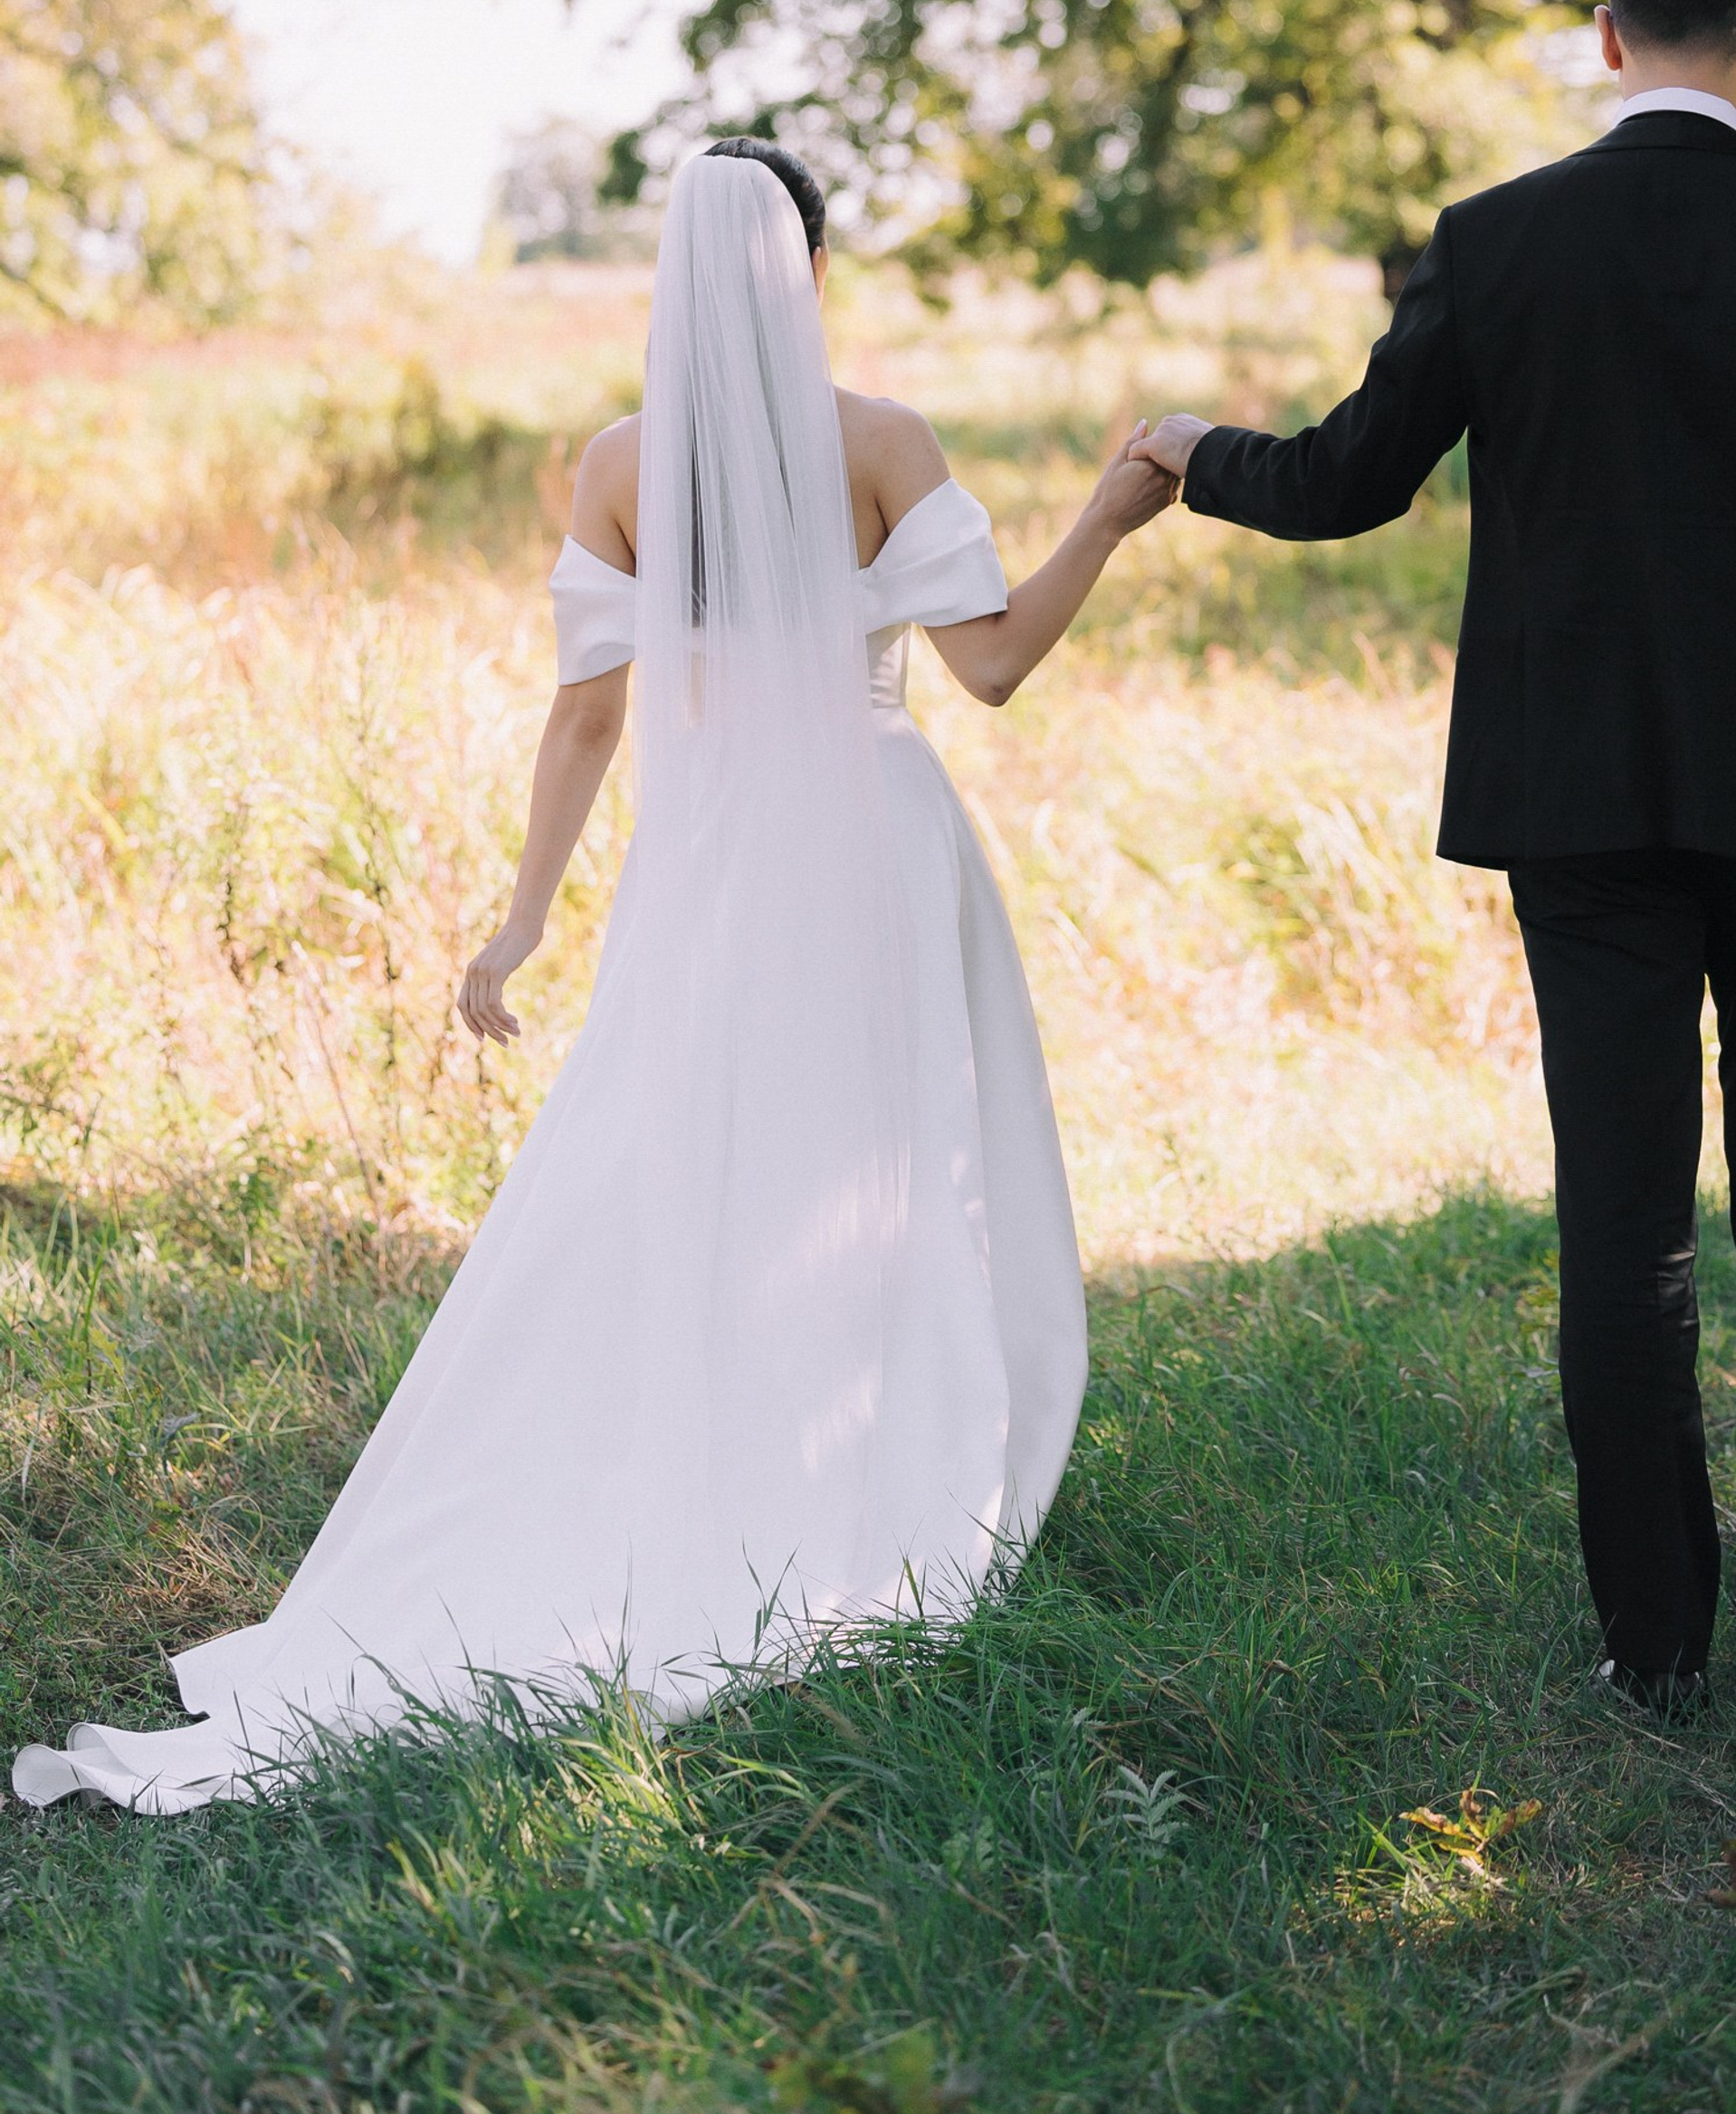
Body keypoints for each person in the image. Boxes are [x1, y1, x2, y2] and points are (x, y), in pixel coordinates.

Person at [15, 140, 1178, 1812]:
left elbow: (586, 713)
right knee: (885, 1164)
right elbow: (989, 668)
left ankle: (704, 1458)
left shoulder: (622, 466)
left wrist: (527, 915)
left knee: (691, 1170)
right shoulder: (882, 440)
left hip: (703, 869)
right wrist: (1107, 519)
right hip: (875, 846)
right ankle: (862, 1470)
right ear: (814, 267)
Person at [1130, 0, 1736, 1720]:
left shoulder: (1495, 241)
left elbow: (1348, 479)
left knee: (1620, 1217)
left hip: (1579, 801)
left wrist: (1189, 457)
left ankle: (1652, 1637)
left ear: (1605, 38)